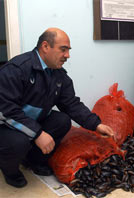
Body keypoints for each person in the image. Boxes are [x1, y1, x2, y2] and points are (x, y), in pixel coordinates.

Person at [0, 28, 114, 188]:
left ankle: (33, 161)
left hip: (30, 122)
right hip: (7, 125)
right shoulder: (16, 69)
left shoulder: (59, 75)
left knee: (62, 120)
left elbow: (71, 104)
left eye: (68, 50)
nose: (67, 55)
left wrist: (96, 125)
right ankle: (9, 171)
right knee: (18, 142)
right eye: (63, 49)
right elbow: (6, 111)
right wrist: (38, 134)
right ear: (45, 46)